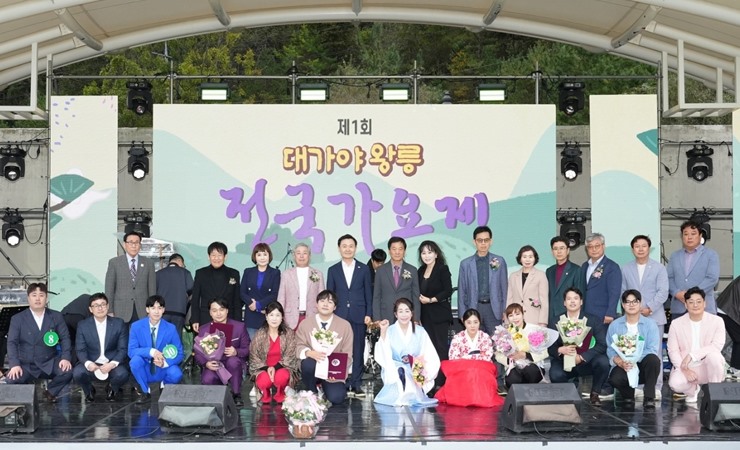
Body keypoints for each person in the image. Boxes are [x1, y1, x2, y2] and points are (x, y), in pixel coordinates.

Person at [5, 283, 73, 403]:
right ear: (28, 298)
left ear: (46, 298)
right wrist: (14, 364)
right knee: (11, 379)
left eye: (41, 295)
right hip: (26, 363)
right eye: (34, 295)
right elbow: (12, 343)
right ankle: (27, 396)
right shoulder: (18, 319)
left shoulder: (56, 316)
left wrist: (65, 358)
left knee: (67, 371)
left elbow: (65, 338)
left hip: (49, 361)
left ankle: (50, 391)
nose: (38, 299)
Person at [326, 234, 372, 398]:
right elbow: (330, 295)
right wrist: (329, 315)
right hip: (339, 316)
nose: (347, 249)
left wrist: (369, 313)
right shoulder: (333, 270)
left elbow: (368, 293)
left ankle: (356, 384)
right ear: (339, 248)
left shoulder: (364, 269)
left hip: (359, 315)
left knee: (358, 350)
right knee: (339, 351)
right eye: (344, 246)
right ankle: (341, 382)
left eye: (351, 246)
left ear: (355, 248)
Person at [548, 287, 610, 406]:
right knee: (555, 374)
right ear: (564, 303)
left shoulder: (593, 320)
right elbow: (550, 347)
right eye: (569, 299)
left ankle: (595, 393)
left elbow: (602, 344)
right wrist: (559, 349)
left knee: (603, 362)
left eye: (575, 298)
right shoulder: (555, 321)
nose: (572, 301)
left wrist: (582, 357)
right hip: (564, 361)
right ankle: (568, 395)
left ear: (581, 301)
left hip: (586, 362)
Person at [374, 298, 440, 407]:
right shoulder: (390, 330)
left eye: (407, 311)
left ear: (411, 313)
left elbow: (429, 354)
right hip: (396, 367)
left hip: (415, 367)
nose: (404, 315)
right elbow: (383, 352)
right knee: (400, 374)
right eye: (400, 311)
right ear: (395, 314)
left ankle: (414, 391)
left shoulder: (420, 331)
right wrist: (383, 332)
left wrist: (425, 370)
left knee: (413, 385)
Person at [667, 286, 726, 403]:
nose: (695, 305)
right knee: (675, 383)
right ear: (685, 305)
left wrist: (692, 355)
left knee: (715, 357)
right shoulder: (676, 324)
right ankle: (693, 390)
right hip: (687, 366)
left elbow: (716, 345)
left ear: (705, 303)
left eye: (699, 302)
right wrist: (684, 368)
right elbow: (673, 350)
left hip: (707, 365)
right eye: (691, 302)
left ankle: (713, 394)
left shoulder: (717, 321)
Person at [295, 289, 354, 405]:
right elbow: (298, 345)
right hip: (312, 368)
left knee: (337, 398)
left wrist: (337, 373)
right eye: (322, 301)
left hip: (331, 372)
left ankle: (325, 388)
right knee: (308, 363)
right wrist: (308, 352)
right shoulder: (305, 324)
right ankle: (311, 391)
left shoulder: (344, 326)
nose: (325, 304)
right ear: (316, 304)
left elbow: (347, 354)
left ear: (335, 307)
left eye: (330, 302)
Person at [435, 308, 503, 407]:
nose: (472, 325)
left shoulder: (485, 337)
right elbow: (453, 357)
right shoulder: (458, 338)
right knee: (469, 371)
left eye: (475, 322)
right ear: (464, 322)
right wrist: (471, 360)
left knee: (478, 370)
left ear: (480, 322)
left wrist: (469, 359)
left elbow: (487, 355)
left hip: (481, 368)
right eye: (469, 322)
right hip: (462, 368)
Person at [606, 290, 662, 409]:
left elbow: (652, 349)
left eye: (635, 301)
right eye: (627, 302)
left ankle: (649, 397)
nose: (631, 305)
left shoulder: (650, 324)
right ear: (623, 305)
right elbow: (610, 349)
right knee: (615, 378)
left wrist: (633, 358)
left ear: (640, 303)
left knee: (654, 360)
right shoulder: (615, 325)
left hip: (643, 366)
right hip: (624, 365)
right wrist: (619, 361)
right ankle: (628, 395)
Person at [72, 293, 130, 402]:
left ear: (108, 306)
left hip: (111, 362)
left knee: (122, 374)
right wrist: (88, 363)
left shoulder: (119, 323)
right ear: (90, 309)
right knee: (78, 373)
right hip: (92, 362)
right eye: (96, 305)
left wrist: (112, 364)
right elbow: (80, 349)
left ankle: (112, 388)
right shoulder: (83, 325)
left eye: (103, 304)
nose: (100, 308)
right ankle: (88, 390)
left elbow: (123, 349)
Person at [194, 298, 250, 407]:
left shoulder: (239, 327)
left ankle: (236, 394)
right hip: (214, 364)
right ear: (210, 312)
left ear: (227, 311)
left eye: (222, 309)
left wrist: (236, 351)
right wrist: (206, 363)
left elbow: (247, 349)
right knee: (207, 379)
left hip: (232, 362)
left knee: (233, 362)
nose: (218, 313)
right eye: (214, 310)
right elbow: (197, 353)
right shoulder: (203, 329)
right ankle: (218, 392)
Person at [128, 295, 183, 403]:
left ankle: (164, 386)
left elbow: (180, 354)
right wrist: (151, 351)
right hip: (145, 367)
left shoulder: (171, 328)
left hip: (162, 368)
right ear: (147, 309)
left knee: (176, 374)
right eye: (153, 308)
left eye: (160, 308)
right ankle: (145, 391)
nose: (156, 311)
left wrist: (165, 363)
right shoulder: (136, 326)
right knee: (134, 361)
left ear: (163, 310)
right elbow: (131, 351)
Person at [458, 225, 508, 334]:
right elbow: (462, 291)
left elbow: (504, 288)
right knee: (475, 341)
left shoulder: (499, 261)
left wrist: (505, 311)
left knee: (497, 341)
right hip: (474, 308)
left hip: (494, 309)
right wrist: (462, 313)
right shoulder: (465, 264)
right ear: (474, 242)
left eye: (486, 240)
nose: (483, 243)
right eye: (480, 240)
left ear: (491, 241)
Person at [416, 240, 453, 389]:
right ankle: (428, 382)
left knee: (440, 348)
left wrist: (431, 300)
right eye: (423, 253)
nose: (427, 256)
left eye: (430, 252)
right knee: (427, 349)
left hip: (439, 315)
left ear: (436, 254)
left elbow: (448, 290)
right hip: (424, 316)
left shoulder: (442, 269)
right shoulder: (420, 271)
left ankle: (442, 382)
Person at [249, 302, 300, 404]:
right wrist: (267, 368)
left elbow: (290, 355)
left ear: (282, 317)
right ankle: (265, 393)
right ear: (266, 317)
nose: (274, 318)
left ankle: (280, 392)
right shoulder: (260, 334)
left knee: (281, 377)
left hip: (283, 367)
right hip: (263, 368)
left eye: (277, 315)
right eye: (271, 315)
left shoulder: (289, 334)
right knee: (264, 380)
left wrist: (275, 368)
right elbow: (254, 356)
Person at [667, 221, 720, 316]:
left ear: (700, 236)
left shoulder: (711, 254)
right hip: (679, 306)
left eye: (693, 233)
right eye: (686, 234)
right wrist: (676, 293)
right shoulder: (674, 256)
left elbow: (712, 278)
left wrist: (692, 294)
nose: (689, 237)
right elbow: (669, 278)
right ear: (682, 237)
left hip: (704, 308)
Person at [104, 231, 156, 324]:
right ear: (124, 245)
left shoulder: (149, 263)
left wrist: (152, 310)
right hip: (120, 311)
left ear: (140, 245)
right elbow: (109, 289)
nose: (134, 245)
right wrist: (109, 310)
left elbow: (152, 289)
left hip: (142, 311)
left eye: (137, 242)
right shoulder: (114, 263)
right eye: (131, 242)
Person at [191, 242, 242, 333]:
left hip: (228, 320)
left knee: (227, 342)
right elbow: (195, 299)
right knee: (206, 342)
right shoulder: (200, 273)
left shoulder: (234, 273)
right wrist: (195, 319)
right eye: (213, 255)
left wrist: (238, 322)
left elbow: (237, 300)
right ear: (209, 257)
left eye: (219, 255)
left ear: (225, 257)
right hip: (206, 319)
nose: (216, 258)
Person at [496, 303, 548, 387]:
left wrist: (525, 355)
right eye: (511, 315)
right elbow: (498, 355)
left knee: (530, 371)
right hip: (514, 366)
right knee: (512, 380)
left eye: (517, 314)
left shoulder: (535, 329)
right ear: (508, 318)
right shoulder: (504, 333)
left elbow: (544, 352)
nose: (515, 318)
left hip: (533, 365)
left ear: (523, 315)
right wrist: (510, 359)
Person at [621, 235, 668, 327]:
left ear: (649, 248)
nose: (640, 249)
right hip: (631, 318)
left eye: (644, 246)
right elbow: (623, 292)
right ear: (632, 250)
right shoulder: (625, 268)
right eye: (637, 246)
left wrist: (650, 308)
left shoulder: (659, 268)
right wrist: (632, 307)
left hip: (655, 317)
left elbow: (663, 292)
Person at [277, 243, 326, 329]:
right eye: (298, 253)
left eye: (305, 253)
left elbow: (322, 298)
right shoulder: (286, 274)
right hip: (290, 319)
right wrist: (279, 316)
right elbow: (281, 298)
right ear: (294, 256)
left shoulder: (318, 274)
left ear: (309, 256)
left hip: (312, 318)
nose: (301, 256)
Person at [373, 236, 421, 323]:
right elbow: (376, 297)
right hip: (385, 315)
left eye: (400, 249)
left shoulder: (412, 270)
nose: (397, 252)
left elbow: (415, 296)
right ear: (389, 251)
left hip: (406, 316)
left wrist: (416, 318)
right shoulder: (380, 270)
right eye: (394, 249)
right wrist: (377, 319)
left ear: (404, 251)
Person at [240, 243, 281, 339]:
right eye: (259, 255)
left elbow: (274, 294)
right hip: (251, 315)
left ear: (269, 256)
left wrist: (258, 305)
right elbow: (242, 292)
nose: (262, 258)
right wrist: (252, 303)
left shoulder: (275, 273)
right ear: (254, 257)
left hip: (266, 314)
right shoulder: (248, 271)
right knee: (251, 345)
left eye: (265, 254)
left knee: (266, 345)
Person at [581, 233, 622, 324]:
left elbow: (614, 292)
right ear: (587, 249)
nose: (594, 249)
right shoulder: (584, 266)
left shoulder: (612, 267)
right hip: (585, 315)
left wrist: (610, 313)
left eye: (597, 246)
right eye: (590, 247)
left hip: (603, 315)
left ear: (603, 246)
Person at [546, 236, 586, 327]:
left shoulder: (576, 270)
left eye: (562, 248)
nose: (559, 251)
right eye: (555, 249)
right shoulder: (549, 271)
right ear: (552, 252)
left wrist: (577, 320)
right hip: (551, 316)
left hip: (569, 318)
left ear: (568, 250)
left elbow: (580, 295)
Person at [507, 245, 549, 327]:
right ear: (520, 259)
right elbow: (509, 299)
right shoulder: (513, 276)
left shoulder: (541, 275)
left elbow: (544, 300)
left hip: (534, 319)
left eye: (530, 257)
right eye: (524, 257)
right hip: (515, 319)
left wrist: (543, 322)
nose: (527, 259)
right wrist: (507, 321)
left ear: (535, 258)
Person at [156, 253, 194, 336]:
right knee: (176, 338)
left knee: (162, 338)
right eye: (183, 265)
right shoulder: (185, 273)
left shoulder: (158, 274)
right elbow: (191, 291)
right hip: (179, 313)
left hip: (162, 313)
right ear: (179, 261)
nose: (183, 267)